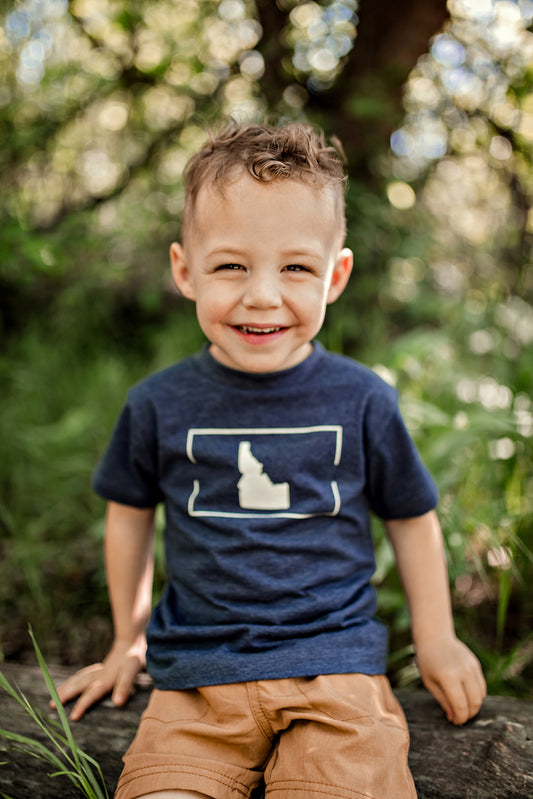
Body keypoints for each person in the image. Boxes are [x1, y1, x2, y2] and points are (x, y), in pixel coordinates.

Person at [55, 122, 486, 799]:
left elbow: (410, 515)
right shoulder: (158, 404)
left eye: (295, 267)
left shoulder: (362, 399)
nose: (261, 295)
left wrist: (435, 638)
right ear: (184, 270)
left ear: (334, 275)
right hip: (196, 680)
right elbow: (128, 514)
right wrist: (126, 642)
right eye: (230, 265)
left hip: (336, 675)